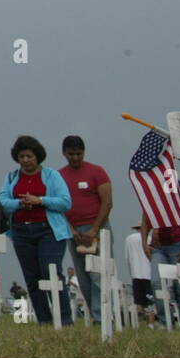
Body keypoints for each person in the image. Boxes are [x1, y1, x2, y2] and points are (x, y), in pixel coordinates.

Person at [0, 135, 73, 326]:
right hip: (21, 231)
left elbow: (65, 201)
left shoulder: (52, 176)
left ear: (37, 156)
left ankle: (64, 321)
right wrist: (20, 203)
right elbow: (3, 201)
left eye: (29, 156)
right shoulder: (12, 177)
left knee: (51, 274)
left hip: (48, 231)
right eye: (22, 156)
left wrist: (40, 200)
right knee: (32, 278)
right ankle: (45, 321)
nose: (25, 160)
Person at [58, 135, 111, 323]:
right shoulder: (59, 176)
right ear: (64, 153)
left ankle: (102, 317)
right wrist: (72, 231)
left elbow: (107, 202)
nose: (75, 158)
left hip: (96, 228)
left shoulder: (97, 172)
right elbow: (58, 206)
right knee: (83, 276)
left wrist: (94, 230)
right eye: (71, 154)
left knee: (98, 274)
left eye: (78, 154)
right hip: (73, 232)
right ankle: (95, 313)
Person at [140, 197, 180, 330]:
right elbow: (145, 223)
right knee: (156, 282)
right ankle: (165, 321)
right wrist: (144, 244)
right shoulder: (152, 198)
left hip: (178, 244)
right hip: (158, 246)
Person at [124, 224, 155, 326]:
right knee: (150, 301)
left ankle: (139, 322)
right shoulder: (149, 239)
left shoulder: (129, 239)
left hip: (135, 272)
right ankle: (150, 323)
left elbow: (127, 257)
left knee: (138, 301)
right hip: (148, 272)